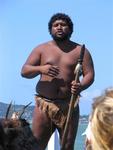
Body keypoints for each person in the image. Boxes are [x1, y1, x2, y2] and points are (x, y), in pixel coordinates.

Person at [21, 13, 95, 150]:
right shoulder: (41, 49)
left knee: (67, 146)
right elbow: (24, 71)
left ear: (70, 29)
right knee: (36, 145)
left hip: (69, 105)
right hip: (44, 105)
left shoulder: (80, 51)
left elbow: (89, 74)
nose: (59, 27)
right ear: (51, 30)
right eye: (55, 25)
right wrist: (41, 69)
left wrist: (81, 86)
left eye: (63, 25)